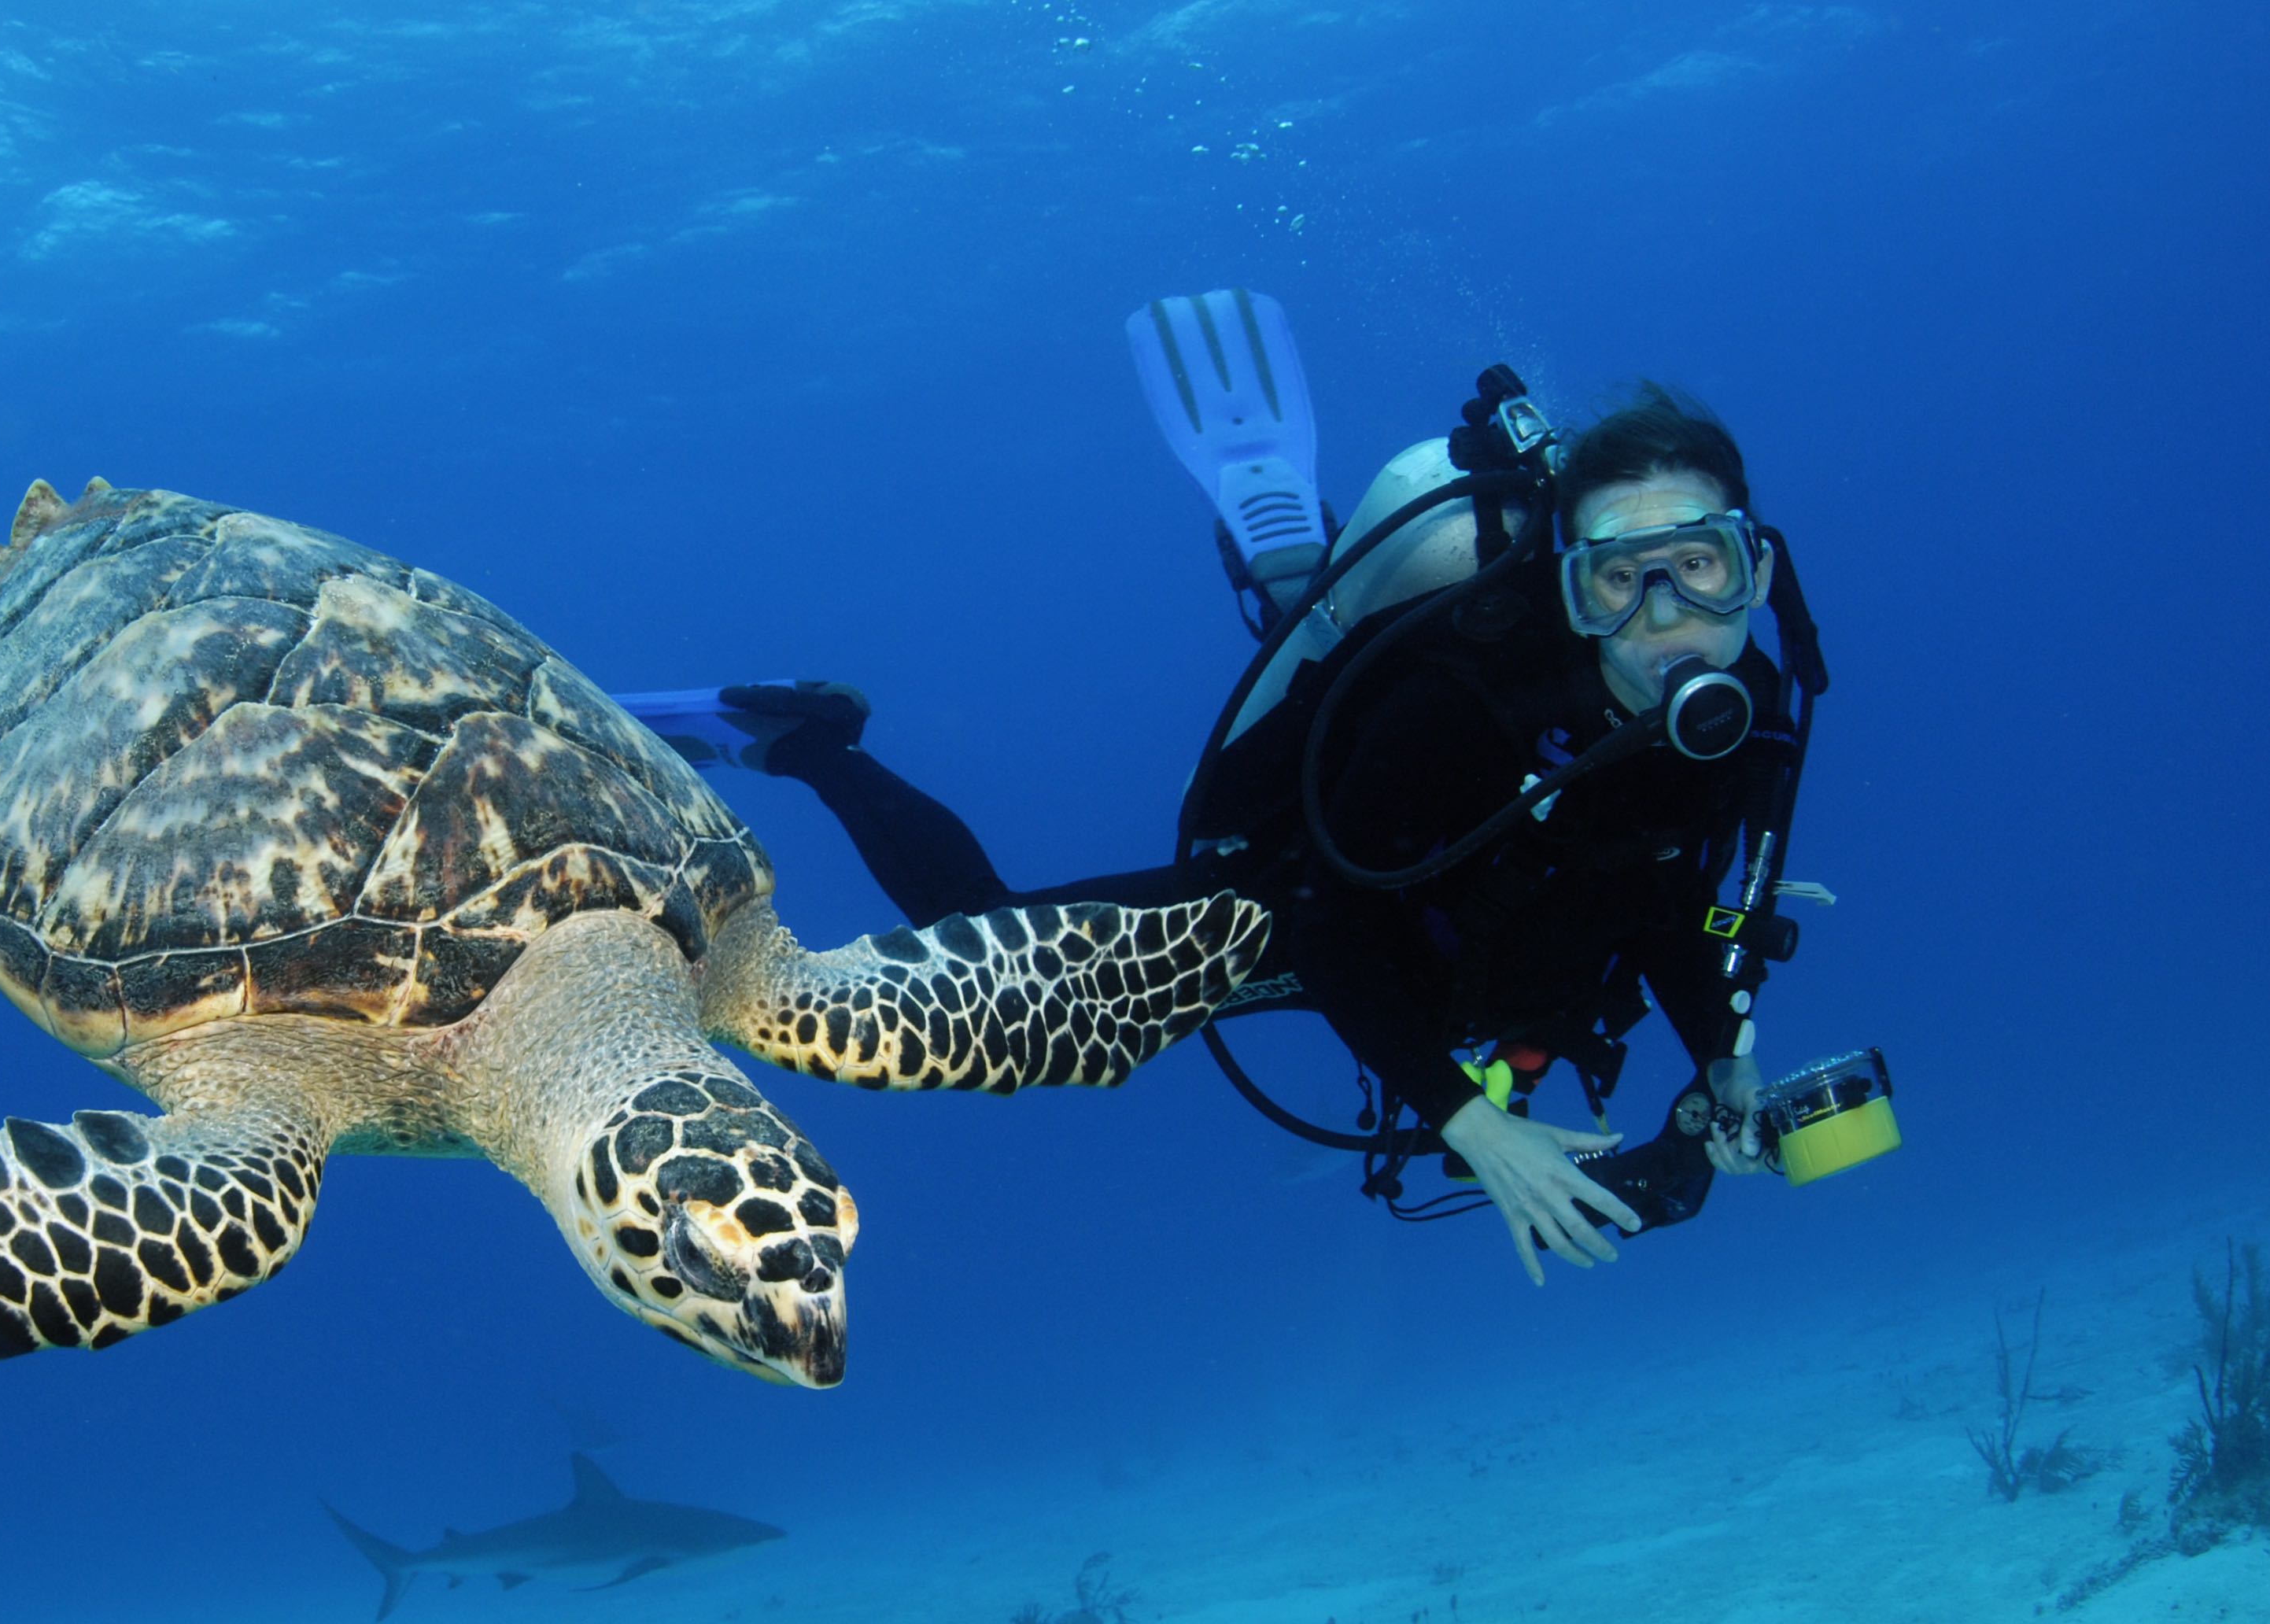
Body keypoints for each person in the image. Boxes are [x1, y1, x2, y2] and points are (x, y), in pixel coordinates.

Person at [628, 293, 1855, 1282]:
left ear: (1755, 570)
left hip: (1469, 939)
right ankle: (809, 745)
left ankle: (1291, 583)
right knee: (986, 981)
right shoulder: (1461, 705)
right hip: (1299, 891)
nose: (1667, 621)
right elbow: (1325, 912)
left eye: (1701, 567)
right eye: (1619, 582)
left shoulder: (1737, 732)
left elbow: (1660, 900)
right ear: (1569, 589)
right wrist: (1467, 1121)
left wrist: (1721, 1065)